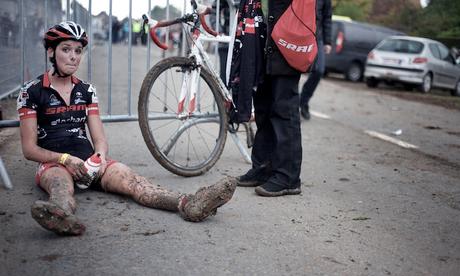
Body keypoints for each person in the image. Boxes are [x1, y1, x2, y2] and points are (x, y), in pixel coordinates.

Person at [17, 21, 236, 236]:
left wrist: (99, 157)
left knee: (133, 181)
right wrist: (65, 160)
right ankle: (60, 214)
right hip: (55, 164)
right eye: (66, 50)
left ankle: (189, 203)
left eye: (78, 50)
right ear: (50, 52)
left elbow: (99, 139)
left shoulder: (86, 90)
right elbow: (29, 149)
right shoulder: (31, 91)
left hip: (89, 162)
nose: (74, 57)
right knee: (60, 185)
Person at [235, 0, 303, 197]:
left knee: (284, 108)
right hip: (264, 36)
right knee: (263, 106)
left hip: (288, 37)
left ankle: (288, 177)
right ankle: (264, 168)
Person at [299, 0, 332, 120]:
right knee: (292, 69)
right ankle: (291, 104)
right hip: (297, 33)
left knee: (319, 70)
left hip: (317, 37)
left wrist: (327, 41)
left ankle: (303, 101)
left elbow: (327, 17)